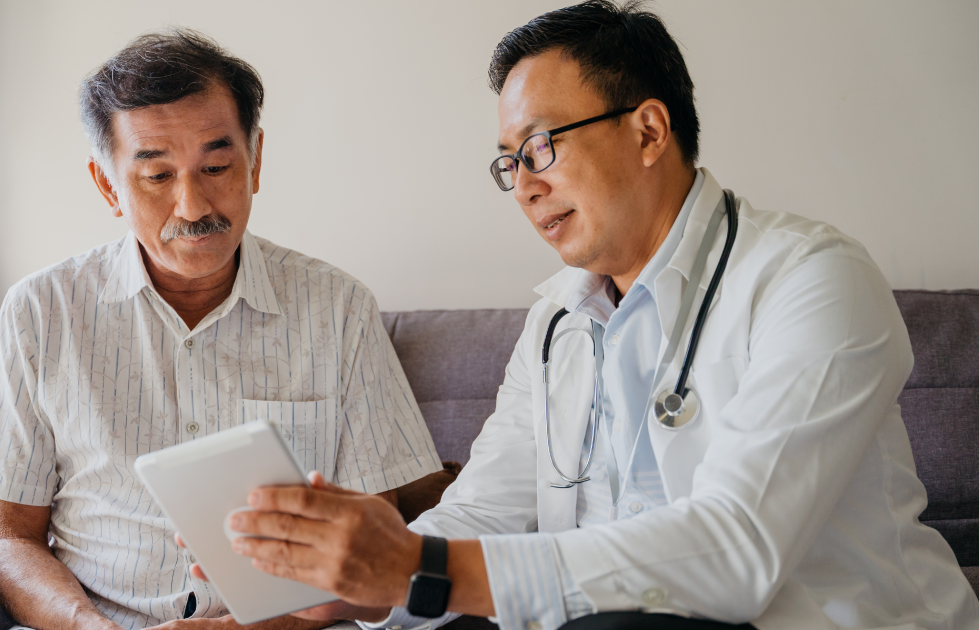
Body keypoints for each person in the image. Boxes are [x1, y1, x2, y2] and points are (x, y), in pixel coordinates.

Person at [217, 3, 979, 629]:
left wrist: (419, 566)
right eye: (510, 162)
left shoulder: (810, 277)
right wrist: (348, 589)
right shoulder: (557, 320)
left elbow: (737, 548)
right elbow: (485, 510)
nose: (525, 187)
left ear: (648, 131)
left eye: (540, 147)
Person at [0, 29, 443, 630]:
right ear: (108, 185)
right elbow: (8, 538)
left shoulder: (339, 308)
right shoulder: (41, 312)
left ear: (255, 161)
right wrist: (87, 626)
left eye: (216, 166)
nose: (194, 206)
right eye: (157, 176)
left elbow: (371, 544)